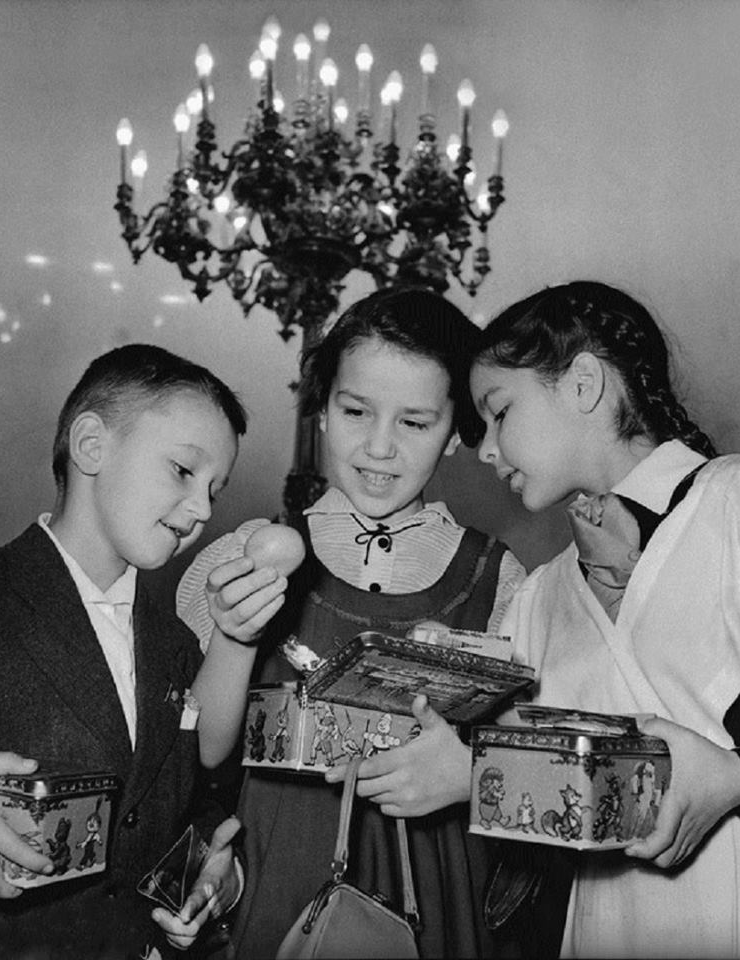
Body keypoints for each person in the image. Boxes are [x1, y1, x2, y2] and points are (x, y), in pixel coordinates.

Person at [177, 286, 527, 959]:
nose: (378, 447)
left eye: (414, 422)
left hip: (440, 897)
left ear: (456, 429)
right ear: (320, 412)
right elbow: (184, 767)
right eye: (355, 410)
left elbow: (525, 778)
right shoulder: (243, 560)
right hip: (278, 891)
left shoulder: (500, 579)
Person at [0, 343, 267, 960]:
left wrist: (209, 874)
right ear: (90, 446)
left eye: (216, 488)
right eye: (184, 472)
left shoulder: (177, 646)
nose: (203, 510)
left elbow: (177, 803)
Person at [464, 280, 740, 958]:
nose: (484, 449)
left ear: (581, 383)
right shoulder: (537, 600)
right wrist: (458, 758)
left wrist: (738, 775)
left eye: (498, 411)